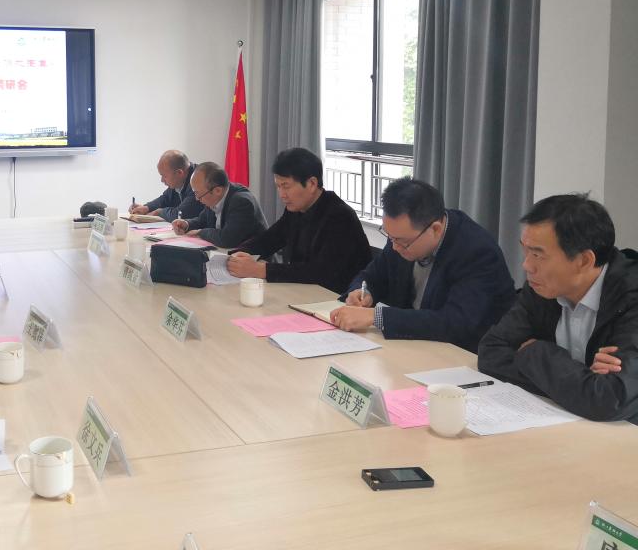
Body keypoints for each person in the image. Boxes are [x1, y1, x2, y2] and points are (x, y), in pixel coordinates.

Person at [478, 194, 638, 421]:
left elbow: (609, 400)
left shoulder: (630, 298)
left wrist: (536, 352)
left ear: (584, 260)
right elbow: (491, 351)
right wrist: (582, 380)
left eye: (537, 254)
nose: (526, 265)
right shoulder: (542, 288)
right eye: (525, 251)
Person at [330, 177, 515, 352]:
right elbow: (371, 275)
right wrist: (361, 292)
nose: (394, 247)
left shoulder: (476, 251)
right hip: (411, 346)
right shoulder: (401, 236)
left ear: (435, 229)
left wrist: (376, 316)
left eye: (401, 241)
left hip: (462, 354)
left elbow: (455, 322)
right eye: (389, 236)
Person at [227, 148, 372, 293]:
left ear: (312, 184)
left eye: (286, 186)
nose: (282, 194)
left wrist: (261, 270)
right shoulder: (296, 209)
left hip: (336, 298)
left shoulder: (340, 217)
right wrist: (237, 254)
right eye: (278, 186)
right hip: (303, 292)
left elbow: (321, 273)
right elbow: (270, 239)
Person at [171, 162, 267, 248]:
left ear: (217, 190)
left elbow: (227, 239)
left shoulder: (241, 202)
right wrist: (186, 224)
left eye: (198, 194)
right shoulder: (212, 196)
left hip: (254, 258)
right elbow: (202, 220)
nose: (197, 198)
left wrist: (201, 232)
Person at [129, 150, 202, 221]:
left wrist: (160, 212)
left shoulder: (198, 181)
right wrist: (146, 207)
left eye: (164, 176)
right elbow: (165, 198)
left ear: (179, 173)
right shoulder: (179, 180)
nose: (162, 180)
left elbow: (181, 214)